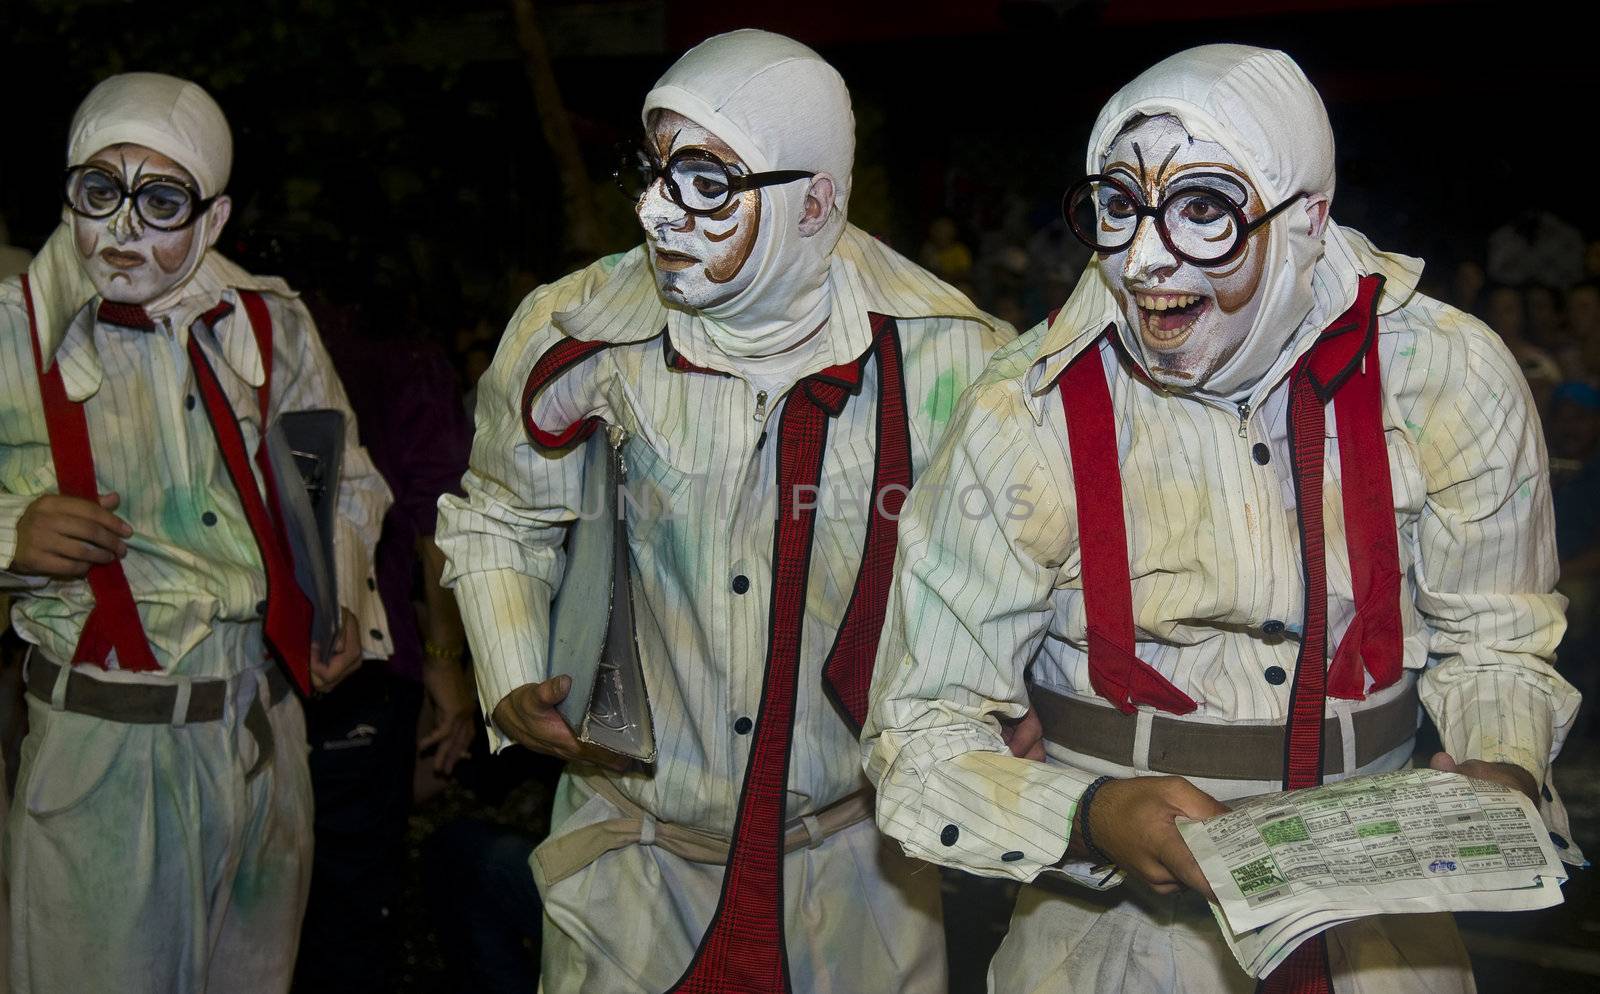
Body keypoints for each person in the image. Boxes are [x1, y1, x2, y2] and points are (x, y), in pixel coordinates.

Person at [864, 44, 1583, 994]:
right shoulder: (1022, 411)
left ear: (1308, 219)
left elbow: (1497, 638)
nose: (1142, 257)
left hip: (1384, 916)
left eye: (1204, 207)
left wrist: (1501, 762)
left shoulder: (1447, 371)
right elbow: (920, 736)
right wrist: (1092, 818)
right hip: (1113, 935)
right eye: (1118, 204)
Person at [436, 28, 1016, 994]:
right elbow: (500, 512)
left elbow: (1011, 580)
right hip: (631, 867)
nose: (657, 211)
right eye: (655, 170)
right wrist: (507, 667)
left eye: (707, 182)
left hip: (858, 877)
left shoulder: (950, 359)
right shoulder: (579, 330)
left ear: (814, 202)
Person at [0, 73, 390, 993]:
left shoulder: (266, 321)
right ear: (67, 189)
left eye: (161, 200)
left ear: (212, 221)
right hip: (107, 748)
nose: (122, 229)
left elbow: (340, 479)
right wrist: (11, 533)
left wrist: (333, 592)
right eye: (101, 191)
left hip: (262, 732)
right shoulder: (13, 332)